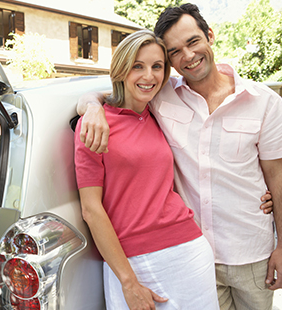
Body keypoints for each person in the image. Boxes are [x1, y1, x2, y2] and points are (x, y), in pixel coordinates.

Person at [77, 4, 282, 310]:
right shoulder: (160, 96)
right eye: (175, 51)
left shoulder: (264, 102)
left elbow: (277, 176)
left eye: (193, 42)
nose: (187, 56)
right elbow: (111, 96)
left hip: (250, 250)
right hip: (196, 252)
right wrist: (91, 105)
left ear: (209, 36)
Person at [75, 29, 219, 310]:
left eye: (157, 67)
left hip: (189, 250)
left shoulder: (158, 111)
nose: (148, 76)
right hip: (132, 261)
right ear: (120, 70)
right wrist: (128, 282)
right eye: (137, 66)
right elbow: (91, 210)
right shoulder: (95, 124)